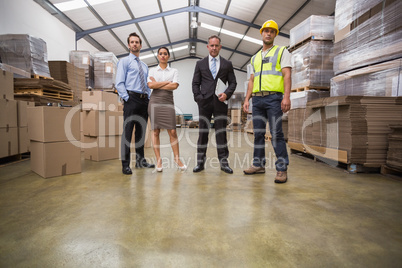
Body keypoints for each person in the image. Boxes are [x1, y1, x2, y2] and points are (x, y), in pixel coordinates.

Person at [243, 20, 291, 183]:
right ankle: (258, 164)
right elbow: (251, 80)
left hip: (274, 98)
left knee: (276, 133)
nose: (268, 33)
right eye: (266, 31)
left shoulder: (281, 51)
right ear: (261, 33)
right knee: (258, 134)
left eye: (272, 31)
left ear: (275, 34)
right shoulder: (255, 57)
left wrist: (286, 97)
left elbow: (287, 75)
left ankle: (281, 169)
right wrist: (246, 99)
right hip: (257, 100)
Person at [192, 35, 237, 174]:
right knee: (203, 133)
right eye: (211, 45)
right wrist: (199, 98)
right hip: (204, 103)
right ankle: (200, 163)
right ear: (207, 47)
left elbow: (233, 82)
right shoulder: (200, 63)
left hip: (220, 102)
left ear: (220, 47)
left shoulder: (227, 64)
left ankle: (224, 163)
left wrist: (227, 94)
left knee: (221, 133)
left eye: (216, 45)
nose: (214, 48)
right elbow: (195, 83)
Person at [116, 32, 155, 175]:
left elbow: (146, 83)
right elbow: (119, 82)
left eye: (137, 42)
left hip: (144, 100)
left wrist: (148, 99)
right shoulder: (124, 62)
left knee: (141, 132)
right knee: (127, 132)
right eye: (132, 42)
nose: (134, 44)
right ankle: (125, 164)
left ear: (140, 45)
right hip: (131, 99)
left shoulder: (144, 66)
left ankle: (140, 161)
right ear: (128, 45)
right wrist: (126, 98)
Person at [147, 46, 186, 172]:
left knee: (173, 132)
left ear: (168, 56)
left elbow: (174, 86)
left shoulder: (174, 71)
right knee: (155, 131)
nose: (163, 55)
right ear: (158, 56)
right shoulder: (152, 70)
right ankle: (159, 160)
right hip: (154, 102)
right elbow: (150, 85)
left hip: (168, 102)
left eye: (165, 53)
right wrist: (166, 82)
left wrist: (158, 84)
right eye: (160, 54)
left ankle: (177, 159)